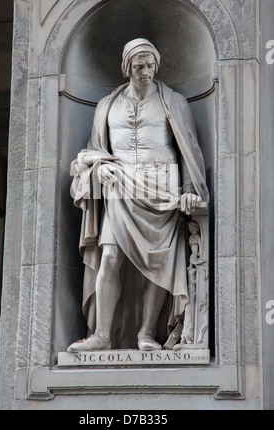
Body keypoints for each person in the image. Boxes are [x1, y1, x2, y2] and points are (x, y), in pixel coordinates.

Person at [68, 38, 209, 352]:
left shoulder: (173, 101)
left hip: (163, 189)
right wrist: (98, 168)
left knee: (159, 264)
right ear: (126, 68)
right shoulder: (106, 104)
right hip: (120, 186)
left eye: (150, 65)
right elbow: (94, 150)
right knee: (110, 256)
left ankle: (146, 333)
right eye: (138, 66)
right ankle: (101, 334)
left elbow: (189, 150)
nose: (145, 71)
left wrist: (189, 191)